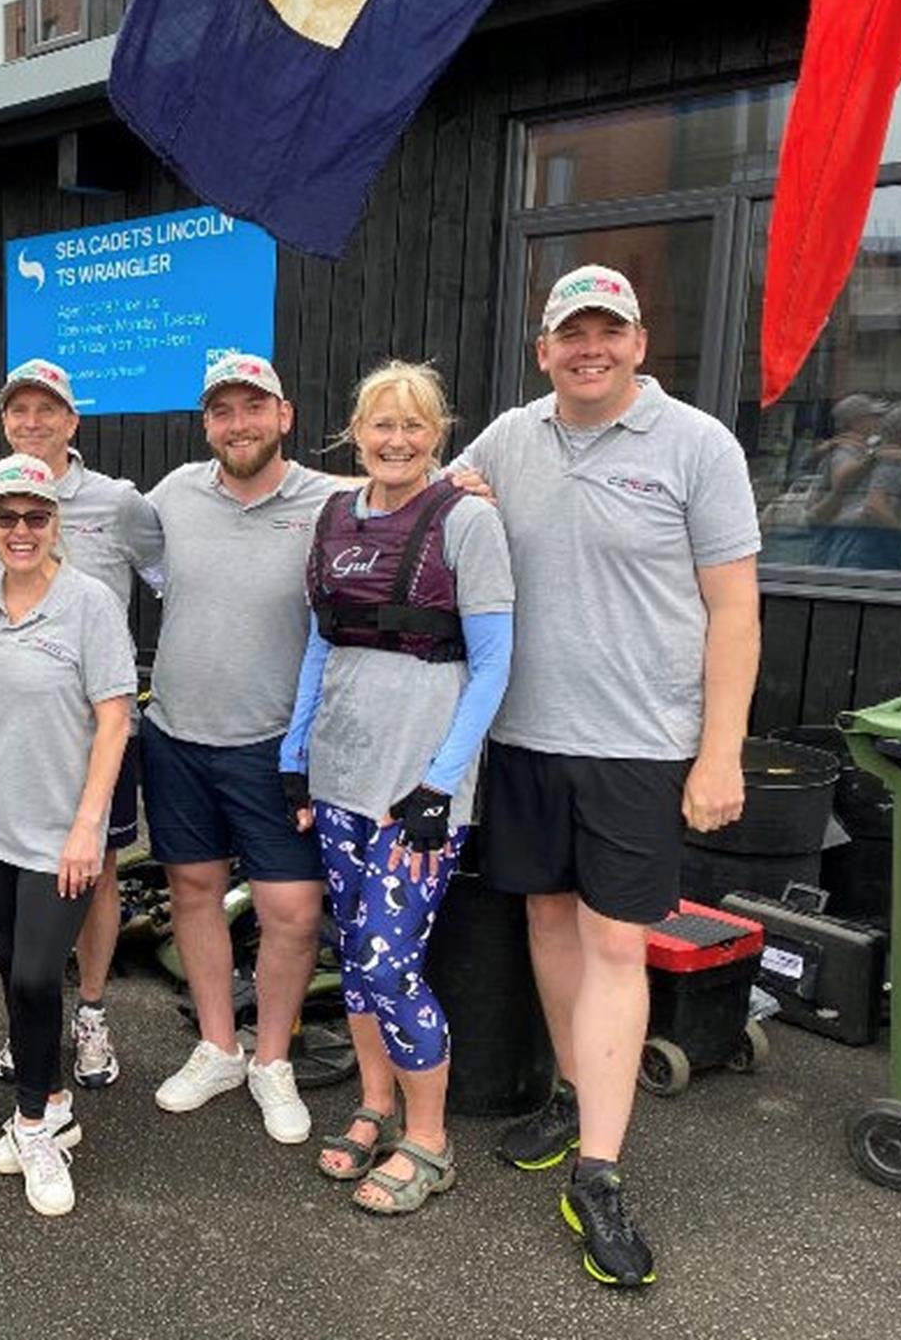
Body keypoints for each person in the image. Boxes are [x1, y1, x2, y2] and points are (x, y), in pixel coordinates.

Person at [453, 264, 760, 1287]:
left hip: (639, 746)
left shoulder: (697, 446)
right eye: (569, 334)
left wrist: (720, 750)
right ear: (544, 349)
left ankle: (601, 1172)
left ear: (638, 344)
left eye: (608, 332)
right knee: (547, 918)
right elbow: (437, 505)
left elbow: (736, 610)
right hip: (527, 737)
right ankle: (574, 1095)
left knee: (616, 939)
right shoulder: (508, 437)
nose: (589, 349)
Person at [279, 361, 514, 1214]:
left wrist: (439, 785)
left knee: (391, 961)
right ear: (357, 429)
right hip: (339, 772)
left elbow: (492, 665)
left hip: (416, 791)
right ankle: (375, 1103)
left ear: (438, 433)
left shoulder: (468, 522)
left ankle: (432, 1139)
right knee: (356, 958)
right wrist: (294, 756)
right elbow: (319, 645)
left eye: (414, 426)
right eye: (382, 423)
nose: (397, 440)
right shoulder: (335, 516)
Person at [144, 353, 348, 1145]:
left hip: (278, 747)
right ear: (207, 425)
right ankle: (219, 1046)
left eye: (253, 407)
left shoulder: (333, 501)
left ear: (284, 415)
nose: (239, 424)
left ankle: (272, 1060)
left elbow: (418, 498)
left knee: (291, 911)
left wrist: (467, 484)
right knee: (192, 887)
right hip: (179, 734)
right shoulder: (173, 495)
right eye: (223, 411)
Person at [0, 358, 163, 1090]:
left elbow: (172, 571)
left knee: (99, 869)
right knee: (13, 890)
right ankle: (32, 1018)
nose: (34, 422)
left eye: (49, 410)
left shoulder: (119, 500)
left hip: (95, 727)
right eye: (20, 410)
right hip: (16, 735)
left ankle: (92, 1011)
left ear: (73, 421)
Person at [0, 454, 135, 1217]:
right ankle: (52, 1097)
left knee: (34, 977)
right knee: (7, 967)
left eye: (36, 516)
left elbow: (115, 716)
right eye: (6, 516)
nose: (21, 530)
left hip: (62, 834)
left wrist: (89, 825)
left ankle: (33, 1127)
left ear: (57, 522)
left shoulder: (89, 602)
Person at [806, 395, 901, 570]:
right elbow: (841, 479)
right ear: (856, 421)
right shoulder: (845, 448)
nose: (879, 420)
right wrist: (875, 457)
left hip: (845, 534)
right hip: (843, 536)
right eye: (873, 416)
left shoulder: (857, 447)